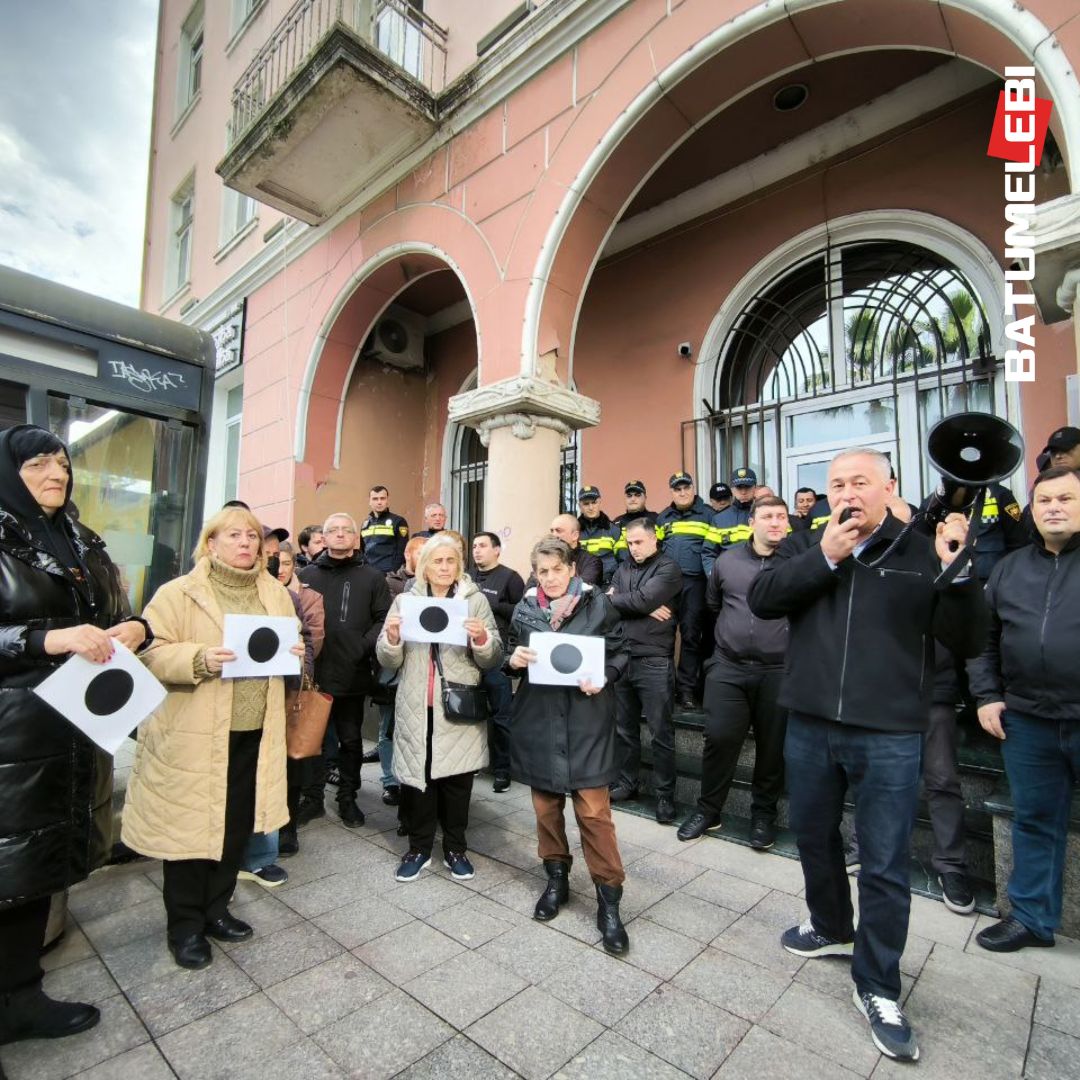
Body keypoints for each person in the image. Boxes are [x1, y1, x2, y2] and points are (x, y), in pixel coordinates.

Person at [748, 447, 987, 1063]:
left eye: (860, 481)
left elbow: (966, 638)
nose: (847, 493)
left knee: (883, 862)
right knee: (811, 835)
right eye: (836, 484)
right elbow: (765, 598)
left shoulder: (921, 548)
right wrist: (827, 555)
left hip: (890, 731)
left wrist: (957, 571)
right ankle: (830, 924)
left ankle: (879, 984)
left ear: (889, 488)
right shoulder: (809, 543)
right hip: (808, 722)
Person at [0, 426, 149, 1045]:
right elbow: (40, 632)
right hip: (11, 736)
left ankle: (19, 998)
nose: (57, 473)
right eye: (39, 463)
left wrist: (138, 627)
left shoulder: (80, 540)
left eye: (63, 463)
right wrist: (42, 640)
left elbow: (114, 613)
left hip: (71, 728)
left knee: (32, 871)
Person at [122, 506, 303, 970]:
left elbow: (288, 640)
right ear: (211, 543)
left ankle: (217, 910)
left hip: (254, 732)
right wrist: (200, 658)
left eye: (251, 536)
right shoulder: (178, 593)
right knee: (189, 833)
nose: (245, 543)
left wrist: (295, 648)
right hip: (194, 734)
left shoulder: (274, 592)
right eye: (233, 535)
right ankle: (184, 928)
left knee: (235, 826)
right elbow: (150, 653)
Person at [968, 466, 1080, 952]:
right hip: (1029, 720)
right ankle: (1032, 919)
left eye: (1067, 498)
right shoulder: (1010, 568)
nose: (1054, 507)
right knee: (1033, 819)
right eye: (1045, 499)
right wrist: (988, 694)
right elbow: (983, 639)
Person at [507, 538, 631, 953]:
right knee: (545, 811)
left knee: (595, 814)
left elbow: (620, 651)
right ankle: (556, 881)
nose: (550, 578)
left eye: (557, 569)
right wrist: (514, 661)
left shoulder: (597, 605)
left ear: (572, 569)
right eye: (542, 572)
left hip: (586, 721)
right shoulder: (525, 609)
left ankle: (609, 902)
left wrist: (606, 676)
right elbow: (509, 650)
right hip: (539, 721)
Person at [916, 478, 1026, 915]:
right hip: (886, 693)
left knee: (942, 780)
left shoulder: (963, 570)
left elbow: (976, 638)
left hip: (935, 693)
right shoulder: (900, 562)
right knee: (879, 779)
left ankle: (952, 866)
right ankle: (865, 846)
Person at [376, 534, 501, 882]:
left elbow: (493, 656)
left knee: (458, 782)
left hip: (457, 704)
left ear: (458, 565)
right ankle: (418, 848)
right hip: (417, 703)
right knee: (419, 781)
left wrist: (481, 639)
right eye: (437, 561)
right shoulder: (404, 600)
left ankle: (455, 848)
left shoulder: (473, 601)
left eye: (450, 561)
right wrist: (392, 637)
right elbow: (386, 657)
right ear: (424, 566)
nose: (444, 568)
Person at [678, 496, 790, 849]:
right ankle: (709, 810)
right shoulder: (727, 561)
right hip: (728, 668)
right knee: (719, 739)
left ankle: (763, 816)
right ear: (752, 522)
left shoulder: (796, 563)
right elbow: (714, 605)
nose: (775, 522)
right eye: (767, 516)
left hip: (779, 670)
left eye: (781, 517)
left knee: (772, 749)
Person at [297, 513, 390, 827]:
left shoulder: (373, 577)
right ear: (323, 537)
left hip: (353, 672)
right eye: (332, 530)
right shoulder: (307, 575)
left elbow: (383, 619)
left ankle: (348, 798)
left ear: (355, 537)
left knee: (351, 741)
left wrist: (363, 646)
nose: (339, 535)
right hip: (315, 673)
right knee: (314, 738)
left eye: (345, 530)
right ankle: (312, 799)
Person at [607, 520, 683, 822]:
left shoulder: (669, 568)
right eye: (629, 543)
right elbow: (604, 602)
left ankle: (665, 796)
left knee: (660, 733)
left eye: (638, 542)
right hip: (623, 658)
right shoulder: (622, 568)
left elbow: (638, 600)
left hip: (654, 660)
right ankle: (627, 783)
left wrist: (632, 601)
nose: (633, 548)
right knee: (624, 729)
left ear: (654, 540)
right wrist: (639, 604)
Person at [272, 542, 325, 857]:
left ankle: (287, 828)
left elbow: (307, 637)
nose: (280, 568)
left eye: (286, 563)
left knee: (292, 762)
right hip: (251, 693)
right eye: (273, 562)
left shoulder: (291, 598)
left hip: (290, 691)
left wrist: (301, 667)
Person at [373, 535, 428, 807]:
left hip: (420, 672)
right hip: (393, 669)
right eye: (422, 554)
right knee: (388, 729)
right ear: (408, 554)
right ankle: (389, 781)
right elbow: (383, 626)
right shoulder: (389, 583)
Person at [470, 531, 525, 793]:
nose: (477, 550)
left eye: (482, 546)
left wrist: (495, 605)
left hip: (498, 656)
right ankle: (470, 765)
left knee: (502, 717)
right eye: (474, 546)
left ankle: (503, 770)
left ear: (497, 550)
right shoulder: (466, 577)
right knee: (468, 715)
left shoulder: (510, 577)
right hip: (467, 656)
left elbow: (522, 612)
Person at [656, 472, 712, 709]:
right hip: (668, 585)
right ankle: (664, 687)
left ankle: (686, 690)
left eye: (685, 488)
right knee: (662, 635)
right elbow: (656, 550)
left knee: (690, 637)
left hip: (695, 584)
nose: (682, 492)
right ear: (672, 491)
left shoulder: (708, 514)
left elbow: (712, 549)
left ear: (693, 488)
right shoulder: (663, 517)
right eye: (677, 489)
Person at [701, 468, 758, 572]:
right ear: (732, 489)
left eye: (747, 487)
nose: (743, 491)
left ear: (755, 488)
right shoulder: (719, 519)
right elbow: (708, 553)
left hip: (762, 579)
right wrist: (714, 577)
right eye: (739, 487)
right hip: (729, 580)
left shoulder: (767, 514)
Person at [540, 514, 603, 586]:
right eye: (552, 531)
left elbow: (581, 588)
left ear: (575, 536)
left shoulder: (591, 562)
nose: (554, 535)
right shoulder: (545, 558)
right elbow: (531, 588)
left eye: (558, 531)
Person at [577, 485, 621, 585]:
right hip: (581, 585)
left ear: (600, 502)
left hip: (607, 585)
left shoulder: (613, 530)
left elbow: (624, 561)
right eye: (586, 504)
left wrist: (615, 584)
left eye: (594, 502)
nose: (591, 507)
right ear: (579, 505)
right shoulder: (574, 531)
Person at [361, 485, 409, 572]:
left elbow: (402, 551)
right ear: (369, 501)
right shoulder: (365, 524)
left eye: (382, 498)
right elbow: (363, 551)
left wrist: (393, 573)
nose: (379, 502)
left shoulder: (398, 521)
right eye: (375, 499)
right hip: (368, 573)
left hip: (388, 574)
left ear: (387, 500)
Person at [613, 480, 662, 562]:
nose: (633, 499)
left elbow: (663, 548)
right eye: (629, 496)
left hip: (652, 570)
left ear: (645, 498)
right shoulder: (616, 523)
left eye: (637, 495)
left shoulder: (657, 519)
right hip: (624, 571)